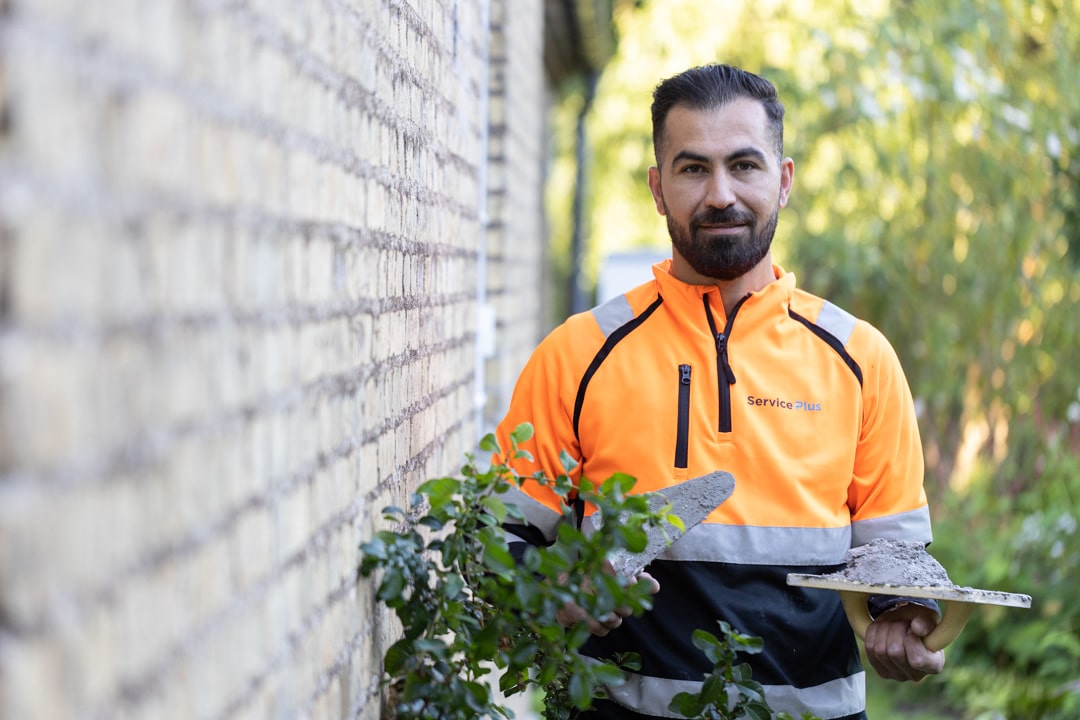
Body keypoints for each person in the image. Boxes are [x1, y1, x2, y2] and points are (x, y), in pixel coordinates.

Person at [494, 63, 943, 720]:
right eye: (692, 168)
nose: (721, 194)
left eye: (745, 165)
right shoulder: (578, 355)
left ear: (783, 181)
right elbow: (497, 545)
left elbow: (897, 562)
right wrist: (556, 590)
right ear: (657, 187)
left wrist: (907, 621)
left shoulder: (861, 359)